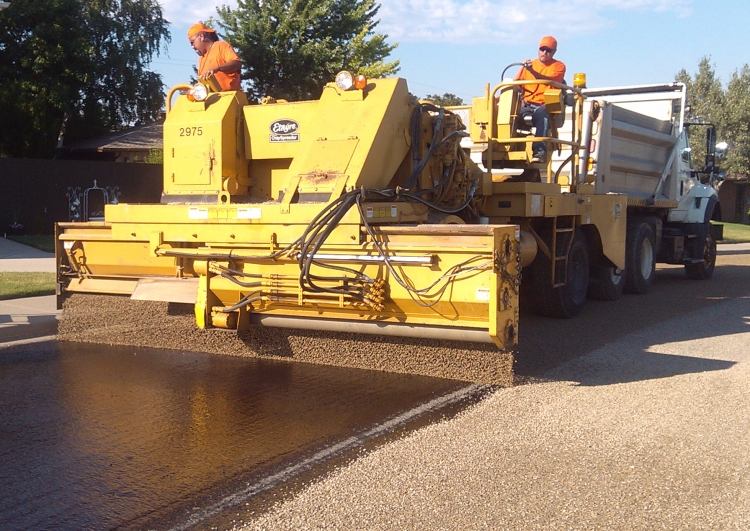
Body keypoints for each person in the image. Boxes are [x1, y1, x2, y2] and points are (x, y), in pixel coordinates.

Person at [514, 36, 566, 162]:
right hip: (526, 105)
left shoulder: (558, 66)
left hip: (544, 105)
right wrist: (497, 100)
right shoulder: (528, 66)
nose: (544, 53)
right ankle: (507, 148)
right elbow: (515, 85)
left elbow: (550, 80)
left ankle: (539, 153)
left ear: (554, 52)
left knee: (543, 112)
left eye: (548, 50)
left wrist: (532, 71)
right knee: (508, 113)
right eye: (542, 49)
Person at [187, 23, 242, 91]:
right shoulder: (201, 59)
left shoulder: (221, 46)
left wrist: (217, 69)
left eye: (192, 42)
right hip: (211, 98)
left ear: (201, 37)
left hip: (229, 96)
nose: (192, 47)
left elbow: (237, 64)